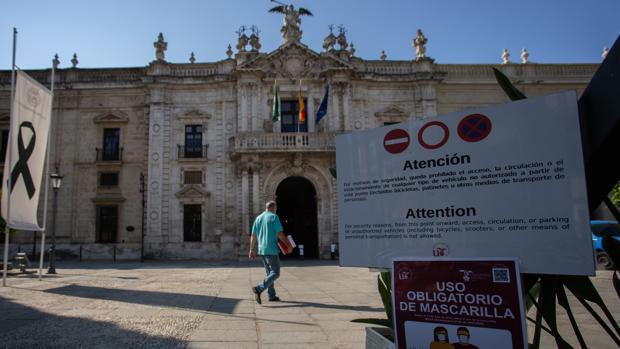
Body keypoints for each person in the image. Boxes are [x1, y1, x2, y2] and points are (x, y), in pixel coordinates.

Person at [249, 201, 293, 304]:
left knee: (270, 273)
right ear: (274, 208)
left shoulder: (258, 218)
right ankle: (259, 289)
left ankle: (272, 295)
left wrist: (251, 249)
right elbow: (280, 234)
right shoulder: (274, 217)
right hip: (271, 249)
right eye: (276, 208)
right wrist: (288, 245)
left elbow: (253, 235)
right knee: (275, 273)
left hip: (262, 250)